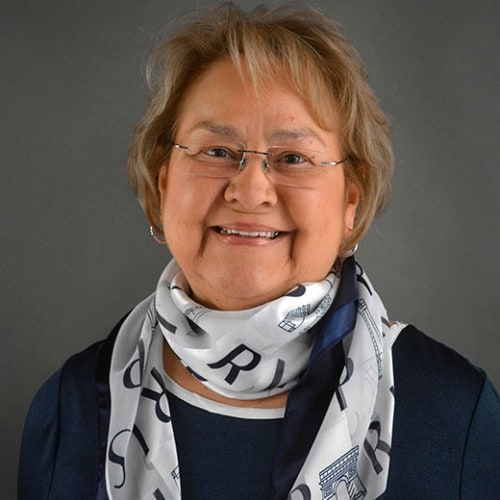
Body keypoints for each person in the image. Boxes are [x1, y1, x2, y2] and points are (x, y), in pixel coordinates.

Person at [18, 2, 499, 499]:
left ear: (350, 201)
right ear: (163, 184)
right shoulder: (69, 409)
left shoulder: (457, 417)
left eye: (293, 157)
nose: (250, 191)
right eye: (216, 151)